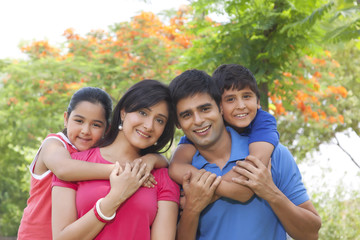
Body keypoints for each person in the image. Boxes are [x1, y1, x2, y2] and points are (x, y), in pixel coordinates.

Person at [169, 69, 321, 240]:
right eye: (186, 115)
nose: (198, 120)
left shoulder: (272, 155)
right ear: (178, 123)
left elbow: (310, 234)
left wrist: (271, 193)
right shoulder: (179, 175)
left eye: (205, 109)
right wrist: (192, 208)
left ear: (220, 107)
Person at [18, 86, 168, 240]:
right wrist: (123, 170)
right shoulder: (55, 144)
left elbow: (164, 162)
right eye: (79, 120)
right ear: (66, 118)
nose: (85, 130)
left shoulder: (91, 153)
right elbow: (64, 169)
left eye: (96, 125)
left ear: (106, 129)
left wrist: (153, 159)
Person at [52, 80, 180, 240]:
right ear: (123, 112)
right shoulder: (75, 164)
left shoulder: (161, 176)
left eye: (159, 120)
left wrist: (153, 159)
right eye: (143, 113)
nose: (149, 125)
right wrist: (116, 197)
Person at [169, 64, 279, 201]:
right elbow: (175, 167)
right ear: (220, 105)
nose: (240, 106)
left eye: (246, 96)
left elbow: (246, 185)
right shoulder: (203, 130)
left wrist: (203, 195)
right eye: (230, 99)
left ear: (258, 101)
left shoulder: (263, 122)